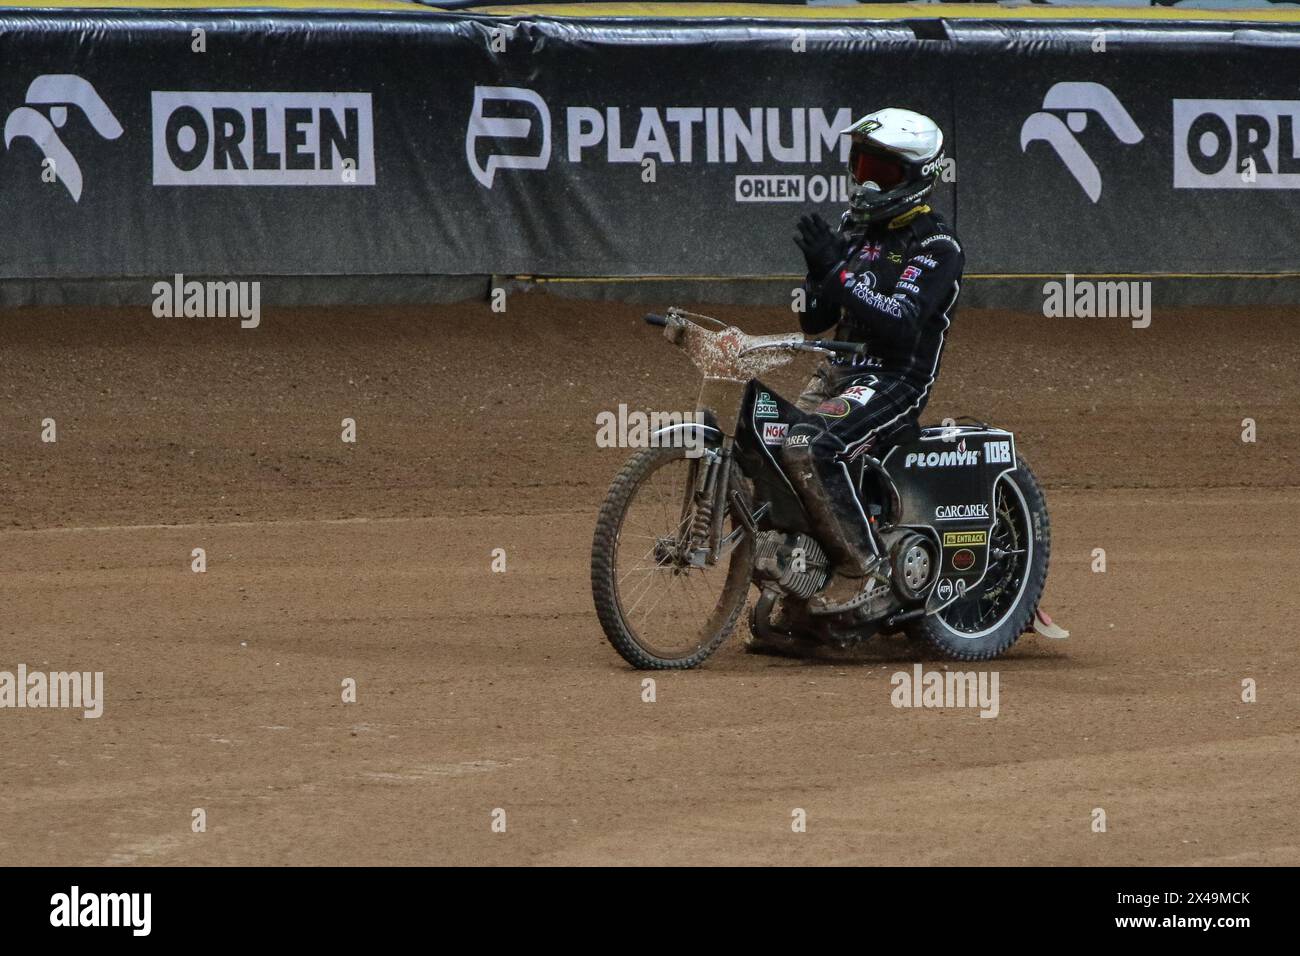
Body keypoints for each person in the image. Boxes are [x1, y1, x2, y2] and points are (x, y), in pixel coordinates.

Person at [782, 107, 965, 615]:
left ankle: (864, 571)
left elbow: (900, 321)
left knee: (810, 447)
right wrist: (817, 272)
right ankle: (799, 576)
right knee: (774, 449)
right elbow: (813, 322)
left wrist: (837, 272)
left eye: (880, 171)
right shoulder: (854, 228)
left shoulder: (936, 243)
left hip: (895, 376)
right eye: (861, 165)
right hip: (838, 369)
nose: (864, 181)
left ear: (917, 176)